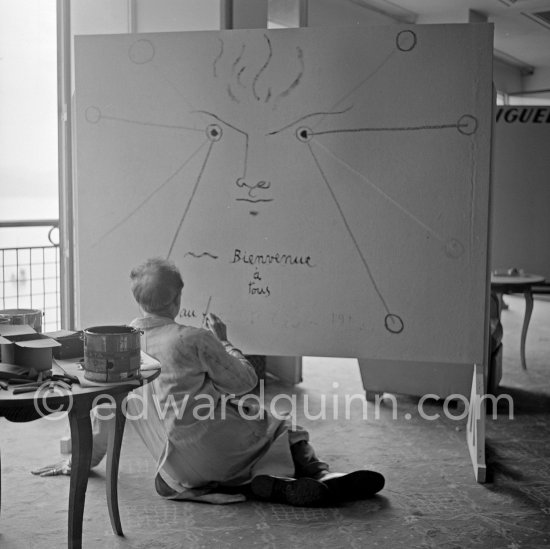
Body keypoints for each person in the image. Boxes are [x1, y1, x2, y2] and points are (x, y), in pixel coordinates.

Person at [33, 257, 384, 506]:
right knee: (280, 426)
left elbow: (104, 412)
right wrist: (225, 341)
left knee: (245, 437)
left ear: (137, 299)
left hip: (174, 468)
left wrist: (77, 463)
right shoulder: (193, 337)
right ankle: (321, 476)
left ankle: (266, 486)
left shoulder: (120, 345)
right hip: (213, 448)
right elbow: (243, 381)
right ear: (178, 298)